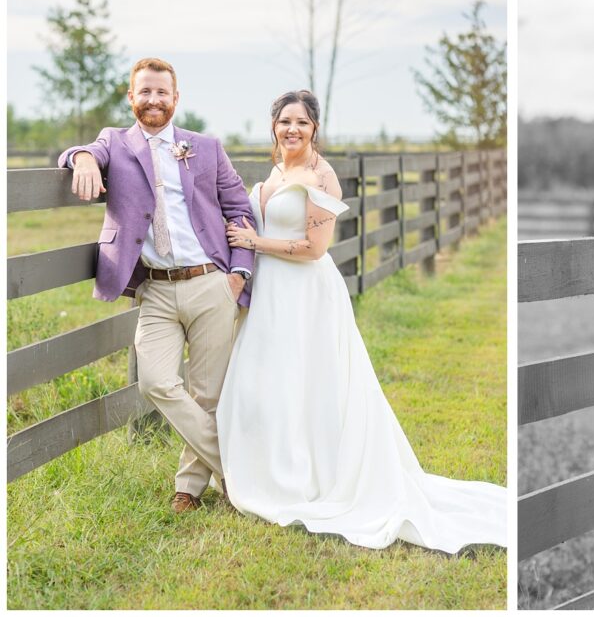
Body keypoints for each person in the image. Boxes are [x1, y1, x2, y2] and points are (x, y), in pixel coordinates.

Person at [216, 90, 506, 553]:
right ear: (273, 126)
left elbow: (314, 249)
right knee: (263, 381)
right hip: (269, 292)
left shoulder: (321, 176)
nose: (293, 129)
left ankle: (307, 478)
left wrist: (255, 241)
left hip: (305, 293)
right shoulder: (276, 171)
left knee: (307, 382)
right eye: (285, 121)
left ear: (315, 129)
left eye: (302, 123)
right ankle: (264, 471)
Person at [59, 57, 254, 513]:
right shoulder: (114, 143)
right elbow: (75, 153)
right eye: (144, 92)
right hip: (157, 290)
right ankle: (239, 471)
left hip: (212, 282)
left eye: (161, 93)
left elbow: (239, 208)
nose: (153, 100)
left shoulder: (205, 147)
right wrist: (82, 157)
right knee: (156, 381)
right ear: (131, 97)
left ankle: (188, 487)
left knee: (208, 393)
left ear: (175, 99)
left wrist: (238, 274)